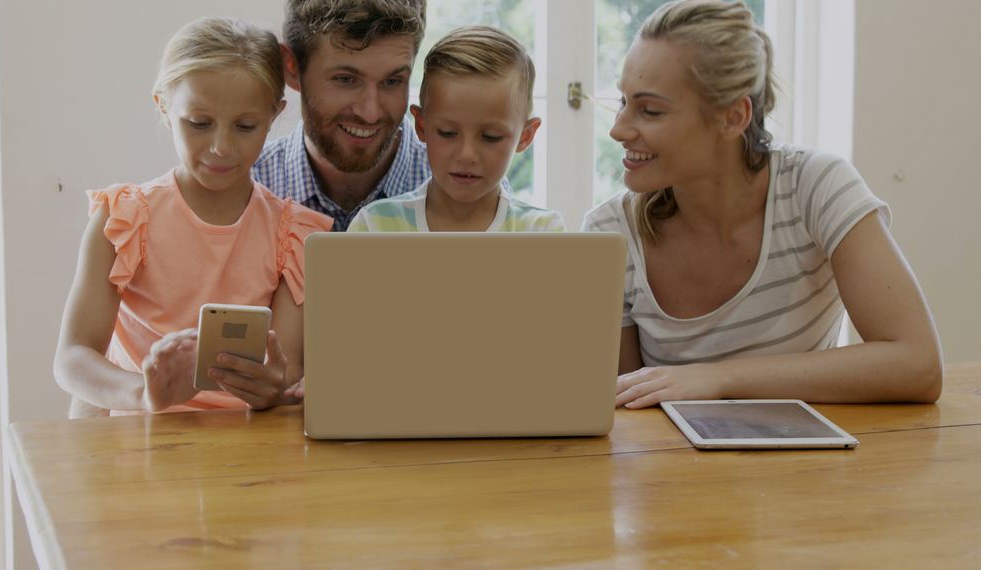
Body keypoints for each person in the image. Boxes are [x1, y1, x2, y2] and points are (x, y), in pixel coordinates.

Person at [582, 0, 942, 409]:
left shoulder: (815, 186)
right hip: (673, 470)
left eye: (649, 110)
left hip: (809, 465)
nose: (618, 129)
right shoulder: (612, 231)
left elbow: (918, 364)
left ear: (733, 118)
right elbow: (624, 411)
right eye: (623, 101)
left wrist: (718, 378)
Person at [54, 17, 332, 418]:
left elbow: (286, 373)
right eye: (199, 124)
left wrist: (272, 389)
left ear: (274, 116)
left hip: (243, 450)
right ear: (164, 107)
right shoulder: (124, 220)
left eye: (245, 126)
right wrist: (145, 394)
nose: (221, 147)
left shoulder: (294, 236)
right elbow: (73, 358)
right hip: (137, 441)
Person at [346, 26, 562, 232]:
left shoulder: (541, 231)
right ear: (421, 126)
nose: (466, 155)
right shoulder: (373, 227)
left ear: (525, 136)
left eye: (490, 137)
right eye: (447, 133)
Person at [251, 0, 431, 231]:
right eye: (345, 79)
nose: (370, 113)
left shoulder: (464, 191)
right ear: (292, 68)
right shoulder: (243, 189)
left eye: (392, 81)